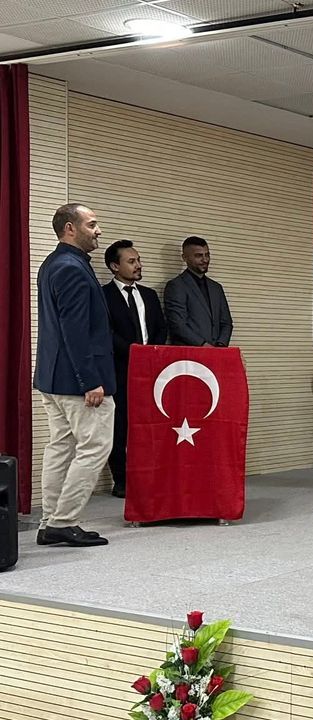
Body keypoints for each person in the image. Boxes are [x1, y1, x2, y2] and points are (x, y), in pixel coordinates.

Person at [33, 203, 114, 547]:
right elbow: (75, 331)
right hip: (78, 381)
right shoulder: (72, 268)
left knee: (61, 448)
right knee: (95, 446)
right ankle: (63, 522)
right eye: (92, 224)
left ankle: (50, 522)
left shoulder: (53, 263)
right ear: (70, 228)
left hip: (53, 378)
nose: (98, 231)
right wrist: (90, 381)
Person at [101, 240, 168, 499]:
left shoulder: (149, 295)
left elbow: (160, 328)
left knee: (151, 425)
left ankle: (151, 476)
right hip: (119, 369)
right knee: (119, 427)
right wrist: (134, 352)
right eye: (131, 261)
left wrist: (152, 354)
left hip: (152, 370)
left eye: (138, 260)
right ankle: (122, 481)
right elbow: (106, 332)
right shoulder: (104, 295)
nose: (138, 265)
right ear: (114, 266)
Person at [165, 236, 233, 347]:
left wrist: (220, 345)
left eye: (207, 255)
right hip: (189, 353)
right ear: (184, 258)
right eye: (199, 256)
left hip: (217, 352)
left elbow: (226, 322)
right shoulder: (176, 286)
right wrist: (203, 345)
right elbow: (178, 325)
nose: (205, 260)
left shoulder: (216, 287)